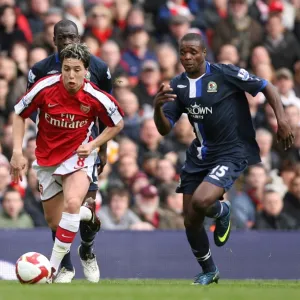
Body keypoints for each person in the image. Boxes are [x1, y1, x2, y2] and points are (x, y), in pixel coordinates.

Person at [153, 33, 294, 285]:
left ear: (204, 53)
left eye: (192, 52)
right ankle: (210, 270)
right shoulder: (177, 85)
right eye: (183, 52)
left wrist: (282, 120)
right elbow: (165, 129)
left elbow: (267, 87)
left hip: (231, 152)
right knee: (190, 219)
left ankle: (222, 209)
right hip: (199, 156)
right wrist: (156, 108)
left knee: (201, 201)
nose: (187, 56)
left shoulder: (225, 73)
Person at [10, 43, 124, 283]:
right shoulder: (45, 87)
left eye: (77, 69)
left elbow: (117, 123)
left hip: (78, 156)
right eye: (66, 69)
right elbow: (19, 113)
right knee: (55, 221)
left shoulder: (94, 96)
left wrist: (93, 145)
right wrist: (17, 152)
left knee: (72, 203)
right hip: (46, 159)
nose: (71, 75)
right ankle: (88, 215)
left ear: (86, 71)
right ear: (60, 68)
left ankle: (52, 269)